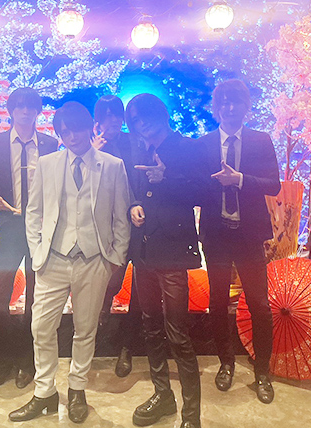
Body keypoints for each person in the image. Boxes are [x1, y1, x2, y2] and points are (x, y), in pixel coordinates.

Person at [9, 101, 131, 424]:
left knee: (85, 329)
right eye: (64, 132)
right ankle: (44, 392)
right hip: (53, 260)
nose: (71, 137)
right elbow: (33, 212)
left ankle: (77, 388)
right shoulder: (47, 164)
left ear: (90, 127)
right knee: (40, 327)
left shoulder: (113, 165)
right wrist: (37, 252)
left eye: (76, 129)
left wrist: (115, 258)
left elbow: (121, 216)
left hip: (93, 261)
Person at [196, 79, 281, 404]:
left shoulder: (261, 140)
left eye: (236, 102)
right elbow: (194, 188)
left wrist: (240, 180)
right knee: (218, 302)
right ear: (216, 108)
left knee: (259, 304)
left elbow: (273, 184)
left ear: (247, 106)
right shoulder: (204, 144)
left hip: (249, 235)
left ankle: (262, 371)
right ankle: (226, 363)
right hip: (217, 235)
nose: (229, 108)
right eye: (224, 102)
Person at [125, 93, 202, 428]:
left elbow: (203, 193)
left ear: (162, 114)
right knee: (151, 327)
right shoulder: (139, 151)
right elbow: (135, 192)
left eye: (146, 116)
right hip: (144, 251)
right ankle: (163, 396)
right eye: (135, 120)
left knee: (178, 334)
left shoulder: (186, 147)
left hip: (172, 252)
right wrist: (134, 206)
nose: (142, 123)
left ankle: (192, 415)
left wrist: (167, 178)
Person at [0, 87, 59, 390]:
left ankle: (28, 362)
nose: (25, 111)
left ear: (38, 111)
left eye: (31, 107)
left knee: (36, 299)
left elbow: (57, 186)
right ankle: (1, 362)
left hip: (39, 230)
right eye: (20, 106)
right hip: (10, 226)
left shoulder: (51, 145)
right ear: (11, 110)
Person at [92, 94, 144, 377]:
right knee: (108, 285)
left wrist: (136, 203)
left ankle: (128, 348)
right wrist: (91, 155)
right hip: (108, 230)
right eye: (106, 115)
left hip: (139, 223)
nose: (112, 120)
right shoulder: (90, 147)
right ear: (97, 119)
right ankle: (94, 339)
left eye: (116, 114)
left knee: (140, 290)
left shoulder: (134, 142)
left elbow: (137, 181)